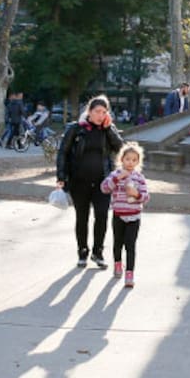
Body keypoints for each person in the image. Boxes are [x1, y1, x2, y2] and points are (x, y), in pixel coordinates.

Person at [56, 96, 123, 269]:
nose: (100, 115)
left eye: (104, 112)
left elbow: (120, 148)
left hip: (103, 182)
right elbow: (63, 152)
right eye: (97, 111)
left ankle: (98, 252)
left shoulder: (108, 129)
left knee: (101, 216)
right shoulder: (75, 129)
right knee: (82, 217)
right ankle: (82, 252)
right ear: (89, 112)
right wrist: (61, 176)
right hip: (79, 182)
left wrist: (109, 129)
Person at [100, 141, 150, 289]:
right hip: (119, 215)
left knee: (130, 246)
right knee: (118, 243)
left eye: (134, 160)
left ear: (138, 162)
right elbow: (104, 188)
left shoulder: (139, 177)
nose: (130, 162)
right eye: (128, 159)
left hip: (134, 216)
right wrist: (117, 178)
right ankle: (117, 264)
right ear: (121, 159)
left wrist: (137, 194)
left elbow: (146, 197)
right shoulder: (115, 174)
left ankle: (130, 274)